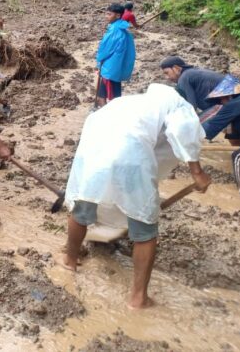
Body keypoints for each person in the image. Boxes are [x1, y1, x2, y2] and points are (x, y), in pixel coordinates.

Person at [60, 84, 211, 309]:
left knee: (84, 205)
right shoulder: (177, 104)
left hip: (92, 151)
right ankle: (138, 298)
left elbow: (93, 121)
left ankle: (70, 261)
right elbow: (183, 131)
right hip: (129, 154)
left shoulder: (129, 102)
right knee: (145, 228)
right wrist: (197, 173)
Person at [95, 3, 136, 107]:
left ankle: (107, 117)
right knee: (116, 97)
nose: (106, 16)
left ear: (118, 15)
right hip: (117, 68)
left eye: (109, 14)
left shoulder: (114, 30)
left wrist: (98, 64)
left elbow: (104, 50)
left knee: (101, 97)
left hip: (109, 69)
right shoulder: (123, 30)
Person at [159, 56, 224, 113]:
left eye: (167, 73)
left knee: (201, 125)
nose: (166, 77)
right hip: (232, 90)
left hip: (229, 97)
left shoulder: (184, 78)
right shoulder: (192, 72)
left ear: (176, 68)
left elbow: (191, 108)